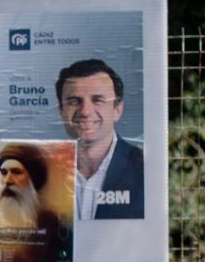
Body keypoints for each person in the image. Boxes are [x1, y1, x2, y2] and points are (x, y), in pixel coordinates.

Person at [57, 58, 143, 221]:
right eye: (74, 101)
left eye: (98, 100)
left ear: (117, 109)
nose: (86, 111)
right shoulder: (42, 169)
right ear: (61, 112)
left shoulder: (145, 169)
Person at [0, 142, 70, 262]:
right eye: (4, 173)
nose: (7, 181)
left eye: (16, 172)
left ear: (33, 179)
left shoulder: (52, 225)